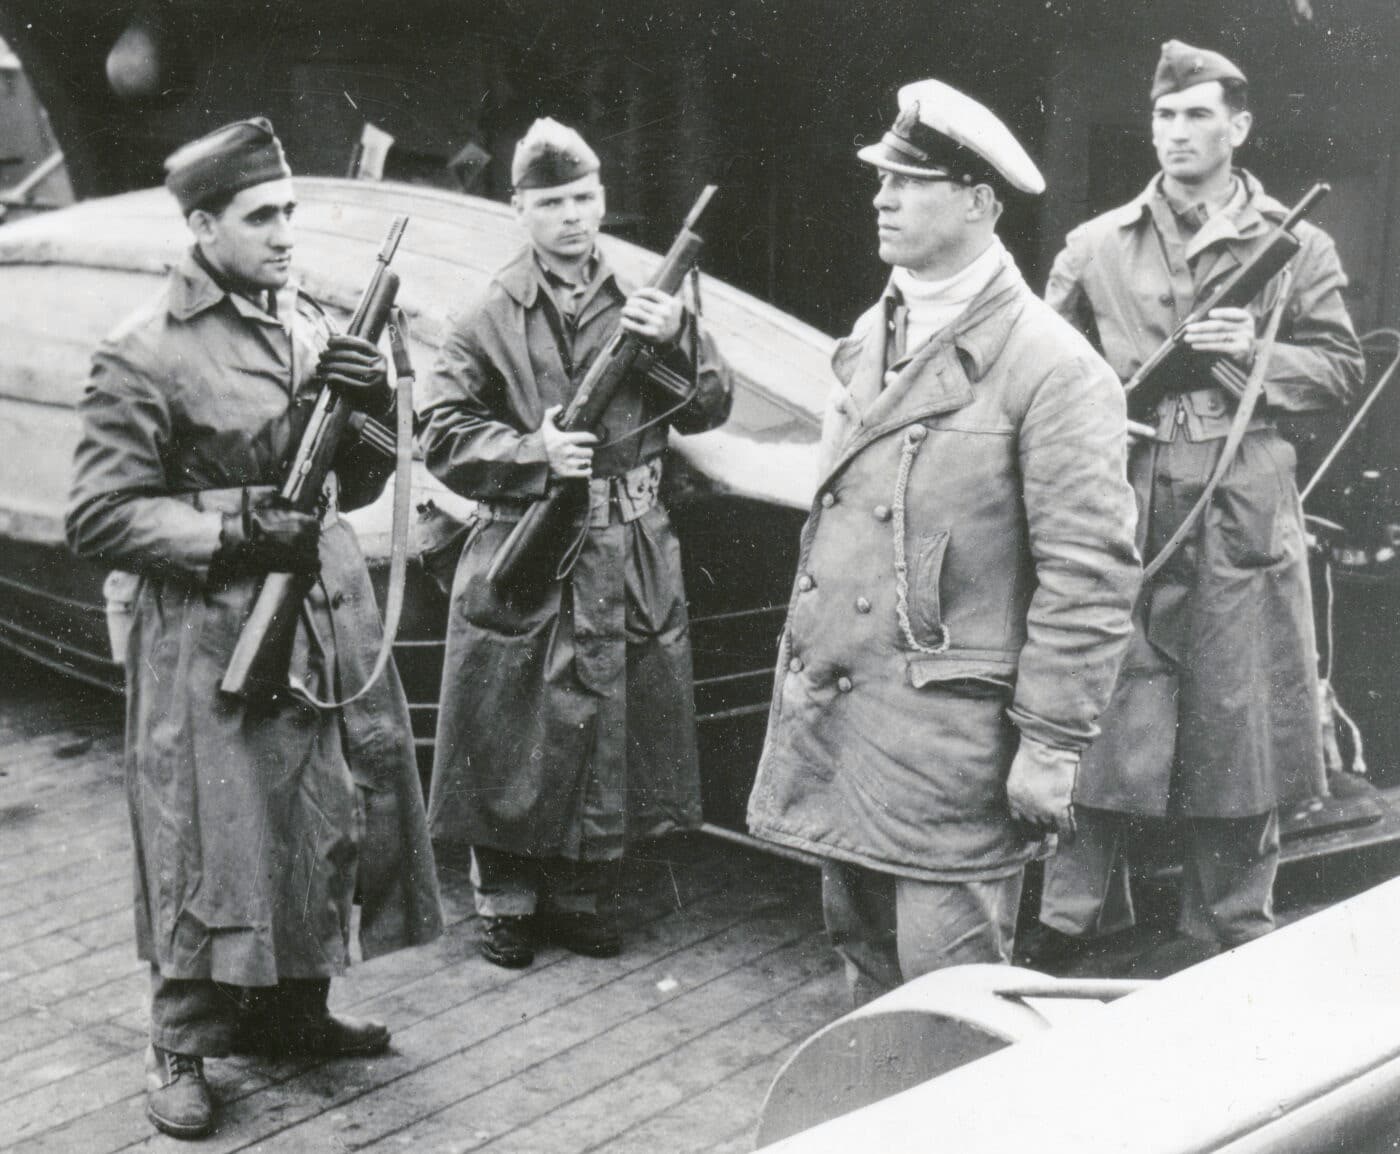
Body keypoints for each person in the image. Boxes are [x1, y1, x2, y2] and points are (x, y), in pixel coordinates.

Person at [66, 119, 443, 1139]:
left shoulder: (309, 324)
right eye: (260, 215)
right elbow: (99, 515)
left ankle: (295, 1008)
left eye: (289, 211)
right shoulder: (143, 349)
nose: (285, 232)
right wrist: (235, 527)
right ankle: (178, 1040)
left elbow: (344, 473)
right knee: (207, 828)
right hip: (207, 620)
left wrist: (364, 414)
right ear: (201, 225)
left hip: (312, 608)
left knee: (318, 809)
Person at [745, 80, 1141, 1006]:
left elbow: (1089, 573)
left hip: (953, 745)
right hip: (849, 722)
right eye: (882, 179)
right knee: (867, 985)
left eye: (912, 181)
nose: (882, 198)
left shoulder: (1053, 367)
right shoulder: (871, 336)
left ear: (980, 203)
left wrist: (1050, 744)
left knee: (949, 1001)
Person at [1031, 41, 1364, 970]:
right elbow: (1045, 377)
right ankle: (1073, 925)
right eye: (1165, 117)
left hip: (1242, 507)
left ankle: (1229, 935)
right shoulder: (1096, 245)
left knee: (1239, 722)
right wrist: (1114, 414)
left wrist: (1253, 348)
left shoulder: (1299, 247)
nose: (1178, 134)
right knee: (1098, 709)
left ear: (1239, 128)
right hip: (1130, 496)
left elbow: (1342, 367)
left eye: (1198, 117)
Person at [419, 118, 734, 969]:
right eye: (550, 202)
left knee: (608, 714)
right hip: (525, 539)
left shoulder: (648, 300)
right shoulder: (485, 310)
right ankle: (508, 898)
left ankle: (582, 889)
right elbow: (440, 432)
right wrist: (533, 453)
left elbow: (709, 405)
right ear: (518, 209)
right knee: (509, 721)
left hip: (627, 544)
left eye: (584, 198)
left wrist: (678, 338)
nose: (571, 217)